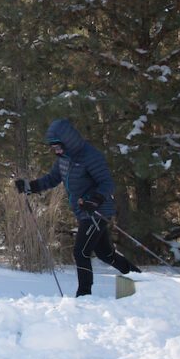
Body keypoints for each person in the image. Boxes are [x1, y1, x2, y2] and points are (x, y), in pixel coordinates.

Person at [14, 118, 140, 297]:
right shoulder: (64, 159)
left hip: (97, 211)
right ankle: (141, 279)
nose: (56, 150)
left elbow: (107, 183)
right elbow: (52, 179)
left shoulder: (90, 156)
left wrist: (94, 200)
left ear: (68, 141)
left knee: (81, 251)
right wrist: (30, 186)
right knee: (105, 254)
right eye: (53, 147)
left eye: (58, 146)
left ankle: (84, 295)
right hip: (84, 212)